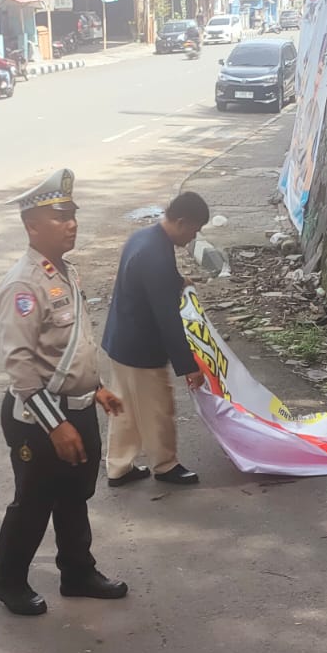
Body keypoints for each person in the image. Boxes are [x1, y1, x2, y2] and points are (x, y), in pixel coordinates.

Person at [0, 170, 128, 617]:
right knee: (33, 503)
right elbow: (22, 367)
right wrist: (57, 426)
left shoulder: (64, 272)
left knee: (75, 497)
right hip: (39, 420)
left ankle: (77, 572)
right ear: (32, 225)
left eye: (72, 215)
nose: (71, 223)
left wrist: (98, 388)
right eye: (59, 216)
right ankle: (8, 581)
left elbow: (71, 348)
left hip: (79, 408)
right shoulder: (23, 284)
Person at [102, 191, 210, 488]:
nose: (193, 236)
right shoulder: (157, 254)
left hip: (120, 339)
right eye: (194, 229)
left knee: (125, 407)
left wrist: (177, 281)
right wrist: (189, 365)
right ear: (181, 221)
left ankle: (118, 466)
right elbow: (168, 320)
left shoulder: (145, 238)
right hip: (141, 347)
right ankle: (165, 465)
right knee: (158, 407)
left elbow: (148, 281)